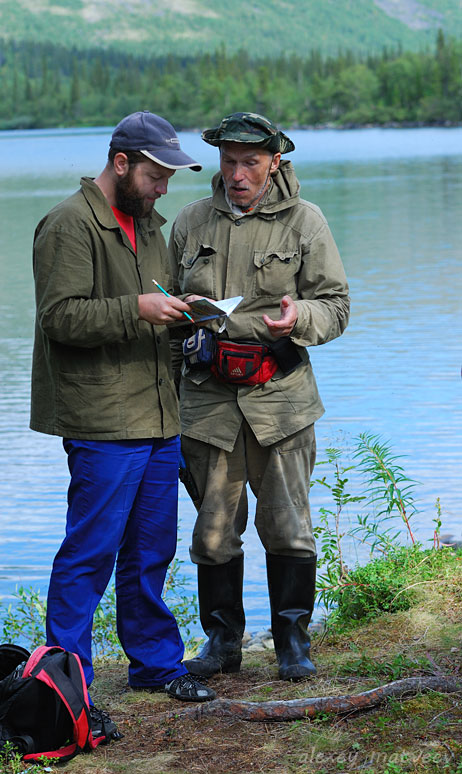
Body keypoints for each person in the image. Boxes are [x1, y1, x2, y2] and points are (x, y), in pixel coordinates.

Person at [30, 111, 216, 736]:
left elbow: (152, 304)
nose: (165, 186)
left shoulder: (149, 228)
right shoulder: (67, 225)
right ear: (121, 164)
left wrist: (187, 314)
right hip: (103, 420)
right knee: (89, 554)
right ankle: (68, 685)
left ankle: (156, 666)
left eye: (169, 176)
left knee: (151, 551)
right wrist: (137, 309)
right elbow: (61, 318)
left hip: (160, 416)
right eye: (157, 174)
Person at [168, 112, 350, 682]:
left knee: (289, 525)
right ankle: (222, 643)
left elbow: (337, 306)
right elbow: (166, 309)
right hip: (208, 400)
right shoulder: (190, 223)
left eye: (250, 162)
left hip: (282, 401)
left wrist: (300, 318)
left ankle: (292, 641)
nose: (238, 173)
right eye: (229, 160)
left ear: (276, 162)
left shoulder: (306, 222)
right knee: (214, 529)